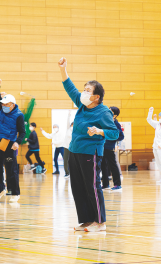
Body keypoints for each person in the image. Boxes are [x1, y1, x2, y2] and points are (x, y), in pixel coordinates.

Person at [58, 57, 119, 233]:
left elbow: (114, 133)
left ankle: (100, 222)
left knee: (92, 186)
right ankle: (86, 220)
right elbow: (69, 88)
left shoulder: (103, 112)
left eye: (87, 90)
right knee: (77, 187)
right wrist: (63, 69)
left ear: (96, 96)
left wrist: (100, 131)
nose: (83, 93)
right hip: (75, 151)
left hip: (90, 153)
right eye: (83, 90)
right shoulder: (82, 105)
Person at [0, 79, 25, 202]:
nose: (3, 106)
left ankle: (15, 193)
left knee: (11, 169)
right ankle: (0, 190)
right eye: (3, 104)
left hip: (10, 144)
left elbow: (22, 132)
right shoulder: (1, 109)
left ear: (12, 104)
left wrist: (17, 142)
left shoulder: (19, 115)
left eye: (6, 104)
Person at [101, 106, 124, 190]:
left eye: (110, 111)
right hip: (102, 146)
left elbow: (121, 136)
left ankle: (117, 184)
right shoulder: (105, 122)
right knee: (103, 165)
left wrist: (111, 139)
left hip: (110, 147)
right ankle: (105, 184)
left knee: (112, 165)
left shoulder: (116, 124)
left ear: (114, 115)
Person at [62, 111, 74, 178]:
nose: (72, 126)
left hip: (72, 148)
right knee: (65, 160)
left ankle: (72, 172)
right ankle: (67, 173)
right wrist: (68, 116)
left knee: (72, 161)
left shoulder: (75, 131)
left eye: (73, 125)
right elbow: (67, 122)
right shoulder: (68, 129)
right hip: (66, 147)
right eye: (71, 125)